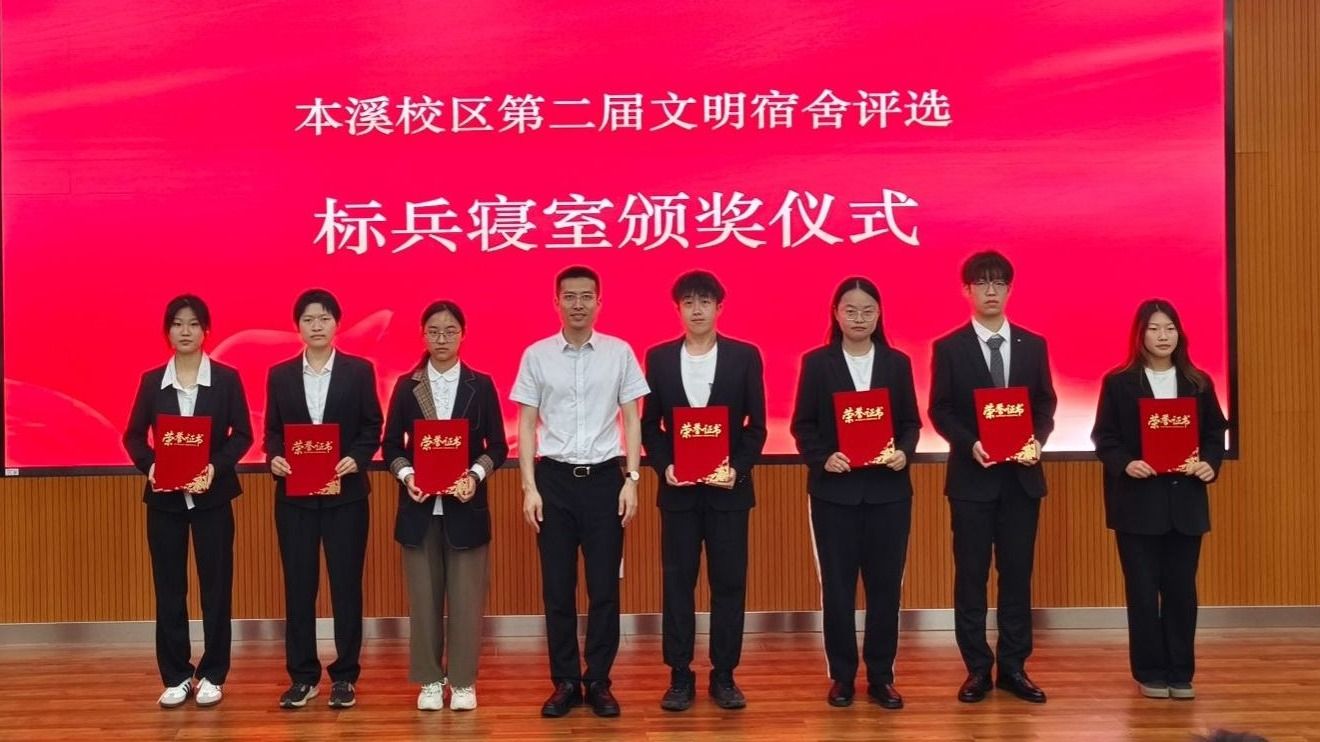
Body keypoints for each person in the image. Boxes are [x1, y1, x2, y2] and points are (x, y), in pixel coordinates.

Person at [511, 265, 650, 718]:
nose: (577, 304)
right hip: (553, 482)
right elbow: (526, 426)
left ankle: (599, 681)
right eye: (569, 296)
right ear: (556, 302)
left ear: (599, 302)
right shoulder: (536, 355)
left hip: (606, 481)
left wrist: (632, 480)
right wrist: (529, 487)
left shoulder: (619, 352)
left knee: (604, 587)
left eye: (586, 296)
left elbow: (632, 419)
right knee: (558, 588)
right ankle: (566, 682)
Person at [928, 251, 1057, 704]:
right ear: (966, 290)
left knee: (1017, 576)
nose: (990, 291)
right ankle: (977, 669)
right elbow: (940, 409)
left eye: (998, 283)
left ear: (1009, 289)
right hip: (973, 479)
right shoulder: (949, 347)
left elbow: (1045, 403)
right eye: (981, 283)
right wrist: (970, 443)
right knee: (971, 576)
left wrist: (1037, 438)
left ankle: (1014, 668)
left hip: (1022, 479)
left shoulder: (1033, 344)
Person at [790, 277, 920, 709]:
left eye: (867, 311)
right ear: (836, 314)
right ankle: (843, 676)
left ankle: (881, 676)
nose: (859, 318)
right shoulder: (817, 363)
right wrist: (823, 457)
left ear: (879, 315)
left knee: (886, 588)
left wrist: (904, 452)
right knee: (838, 588)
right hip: (835, 495)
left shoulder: (897, 363)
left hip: (888, 494)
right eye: (850, 310)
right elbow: (803, 425)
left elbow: (910, 423)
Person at [641, 271, 767, 711]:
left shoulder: (744, 356)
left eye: (705, 302)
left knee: (729, 583)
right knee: (678, 584)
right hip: (679, 493)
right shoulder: (658, 358)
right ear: (677, 308)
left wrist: (739, 468)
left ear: (719, 307)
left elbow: (757, 426)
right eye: (689, 302)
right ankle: (679, 675)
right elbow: (650, 426)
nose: (697, 310)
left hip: (728, 491)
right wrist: (665, 466)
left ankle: (724, 674)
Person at [1091, 299, 1227, 700]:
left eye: (1170, 328)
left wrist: (1209, 464)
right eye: (1153, 328)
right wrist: (1126, 463)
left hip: (1185, 504)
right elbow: (1105, 437)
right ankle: (1149, 671)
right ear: (1140, 334)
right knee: (1142, 591)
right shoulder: (1119, 383)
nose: (1163, 336)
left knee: (1182, 590)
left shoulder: (1198, 382)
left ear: (1179, 334)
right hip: (1137, 504)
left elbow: (1214, 434)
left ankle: (1180, 671)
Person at [124, 294, 253, 708]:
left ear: (206, 331)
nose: (185, 331)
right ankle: (176, 674)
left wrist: (216, 467)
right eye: (178, 324)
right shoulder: (152, 382)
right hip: (164, 503)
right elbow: (133, 436)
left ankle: (213, 673)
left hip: (213, 500)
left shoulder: (226, 379)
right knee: (169, 589)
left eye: (193, 324)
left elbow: (243, 434)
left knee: (216, 588)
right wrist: (151, 467)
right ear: (167, 331)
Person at [383, 300, 509, 711]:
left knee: (467, 601)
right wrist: (408, 477)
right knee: (423, 601)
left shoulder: (480, 385)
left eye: (450, 331)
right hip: (419, 510)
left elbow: (498, 446)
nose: (442, 338)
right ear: (423, 335)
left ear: (463, 335)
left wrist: (474, 475)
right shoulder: (406, 386)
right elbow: (390, 446)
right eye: (434, 331)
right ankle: (430, 681)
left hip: (465, 508)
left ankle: (463, 681)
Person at [264, 288, 382, 710]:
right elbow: (272, 431)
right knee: (299, 587)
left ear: (337, 324)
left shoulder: (359, 371)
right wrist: (275, 457)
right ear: (298, 326)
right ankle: (303, 676)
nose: (317, 326)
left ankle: (345, 676)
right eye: (309, 319)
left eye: (324, 318)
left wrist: (356, 458)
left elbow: (372, 426)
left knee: (346, 586)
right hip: (294, 497)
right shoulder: (279, 375)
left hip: (345, 496)